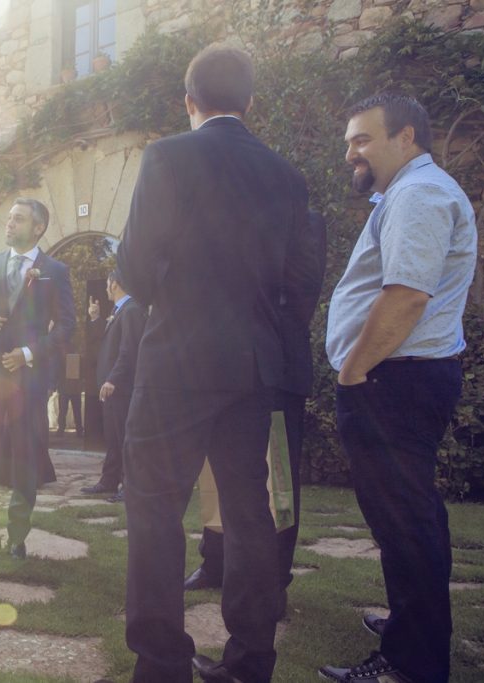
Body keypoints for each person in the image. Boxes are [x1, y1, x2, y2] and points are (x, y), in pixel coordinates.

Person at [113, 45, 315, 683]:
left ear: (188, 100)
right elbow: (302, 278)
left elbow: (134, 264)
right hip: (256, 367)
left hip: (178, 358)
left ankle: (162, 663)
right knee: (250, 511)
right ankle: (252, 663)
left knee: (153, 505)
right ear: (251, 102)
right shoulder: (287, 175)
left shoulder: (168, 155)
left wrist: (174, 304)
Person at [319, 93, 476, 683]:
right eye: (348, 143)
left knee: (406, 521)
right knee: (405, 519)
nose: (351, 153)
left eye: (362, 139)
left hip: (394, 380)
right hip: (399, 377)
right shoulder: (408, 193)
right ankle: (413, 625)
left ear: (406, 137)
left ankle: (410, 664)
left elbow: (407, 294)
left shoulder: (419, 193)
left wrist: (355, 369)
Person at [183, 210, 327, 617]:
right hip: (222, 367)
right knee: (215, 471)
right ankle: (215, 565)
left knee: (278, 477)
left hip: (276, 367)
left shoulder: (304, 221)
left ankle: (273, 582)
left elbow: (298, 299)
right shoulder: (220, 221)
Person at [0, 197, 76, 560]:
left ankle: (18, 538)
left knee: (25, 457)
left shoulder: (54, 271)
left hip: (28, 380)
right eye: (8, 218)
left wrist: (28, 354)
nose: (9, 224)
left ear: (38, 228)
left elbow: (68, 327)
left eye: (18, 219)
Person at [80, 269, 147, 503]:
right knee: (112, 438)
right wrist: (97, 318)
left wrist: (113, 379)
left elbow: (129, 351)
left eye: (108, 284)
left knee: (125, 439)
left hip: (122, 388)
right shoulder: (119, 311)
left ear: (114, 284)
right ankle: (109, 481)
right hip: (111, 390)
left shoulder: (132, 311)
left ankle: (129, 487)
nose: (106, 288)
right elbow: (108, 343)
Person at [52, 351, 83, 437]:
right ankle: (67, 429)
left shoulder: (63, 359)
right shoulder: (62, 360)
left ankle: (77, 430)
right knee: (66, 410)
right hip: (67, 388)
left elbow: (56, 373)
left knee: (70, 410)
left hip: (70, 388)